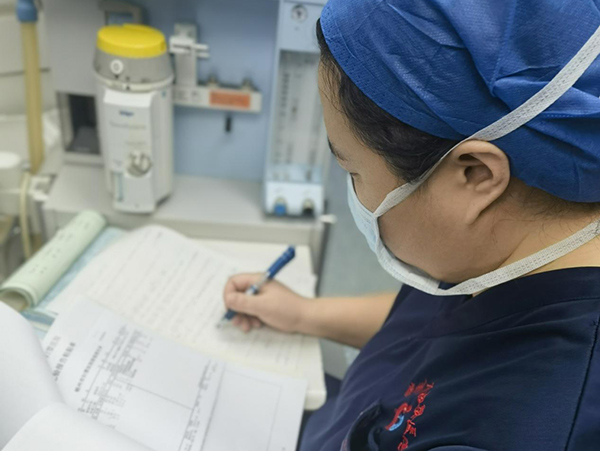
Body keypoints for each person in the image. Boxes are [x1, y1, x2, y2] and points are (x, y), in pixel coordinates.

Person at [224, 1, 600, 449]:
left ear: (475, 175)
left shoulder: (524, 427)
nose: (356, 196)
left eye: (353, 172)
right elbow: (431, 323)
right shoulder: (506, 249)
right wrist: (305, 314)